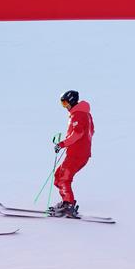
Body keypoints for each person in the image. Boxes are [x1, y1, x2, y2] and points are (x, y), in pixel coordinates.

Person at [51, 90, 94, 218]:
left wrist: (63, 144)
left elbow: (78, 133)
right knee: (59, 175)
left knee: (63, 177)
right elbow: (88, 132)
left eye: (65, 103)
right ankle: (66, 202)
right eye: (62, 103)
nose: (64, 106)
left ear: (71, 101)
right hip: (77, 153)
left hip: (77, 155)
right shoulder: (83, 114)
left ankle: (69, 205)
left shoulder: (78, 115)